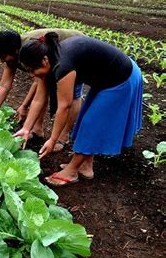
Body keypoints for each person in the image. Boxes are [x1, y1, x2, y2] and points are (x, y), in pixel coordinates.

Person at [19, 33, 142, 186]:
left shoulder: (62, 66)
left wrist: (53, 139)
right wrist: (26, 128)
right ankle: (85, 166)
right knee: (88, 119)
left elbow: (64, 106)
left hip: (122, 78)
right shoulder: (51, 56)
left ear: (44, 61)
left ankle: (71, 171)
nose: (31, 75)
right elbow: (39, 98)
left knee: (92, 124)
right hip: (106, 77)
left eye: (32, 70)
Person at [0, 29, 84, 151]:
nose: (2, 61)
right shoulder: (11, 54)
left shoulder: (30, 50)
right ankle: (37, 128)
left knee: (72, 96)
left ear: (15, 51)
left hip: (76, 49)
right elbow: (4, 85)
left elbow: (38, 83)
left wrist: (24, 106)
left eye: (3, 57)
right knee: (45, 89)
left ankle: (63, 136)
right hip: (56, 55)